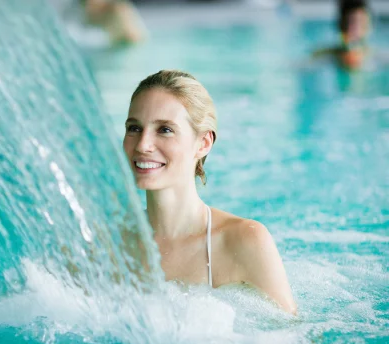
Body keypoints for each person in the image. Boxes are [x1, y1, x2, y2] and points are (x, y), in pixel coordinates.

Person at [123, 70, 297, 314]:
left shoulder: (244, 241)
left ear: (203, 143)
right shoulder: (109, 242)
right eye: (134, 128)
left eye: (164, 129)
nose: (142, 145)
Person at [313, 0, 371, 70]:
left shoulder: (374, 57)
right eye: (352, 22)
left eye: (362, 22)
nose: (357, 28)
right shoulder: (324, 56)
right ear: (342, 25)